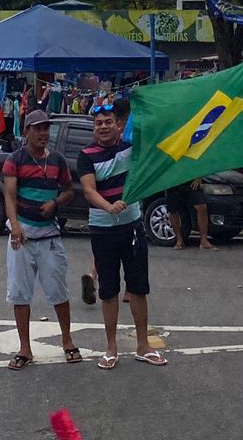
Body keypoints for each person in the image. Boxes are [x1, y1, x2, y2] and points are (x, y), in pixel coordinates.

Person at [77, 105, 163, 369]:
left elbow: (154, 141)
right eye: (98, 123)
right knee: (109, 290)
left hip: (133, 227)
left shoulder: (130, 150)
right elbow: (89, 191)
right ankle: (111, 347)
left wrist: (145, 103)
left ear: (118, 125)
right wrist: (108, 206)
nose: (103, 126)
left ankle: (142, 345)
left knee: (138, 288)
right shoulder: (86, 156)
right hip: (103, 231)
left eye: (108, 122)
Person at [2, 110, 80, 369]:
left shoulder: (57, 160)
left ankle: (67, 341)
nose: (43, 133)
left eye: (46, 128)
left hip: (49, 235)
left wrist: (55, 202)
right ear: (26, 132)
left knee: (58, 290)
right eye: (38, 129)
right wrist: (15, 226)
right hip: (22, 235)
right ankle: (25, 348)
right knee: (20, 293)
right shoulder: (15, 159)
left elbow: (69, 191)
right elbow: (9, 196)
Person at [165, 175, 216, 251]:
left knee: (201, 207)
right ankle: (179, 240)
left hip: (191, 182)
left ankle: (204, 241)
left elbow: (199, 163)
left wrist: (199, 177)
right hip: (173, 183)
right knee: (173, 210)